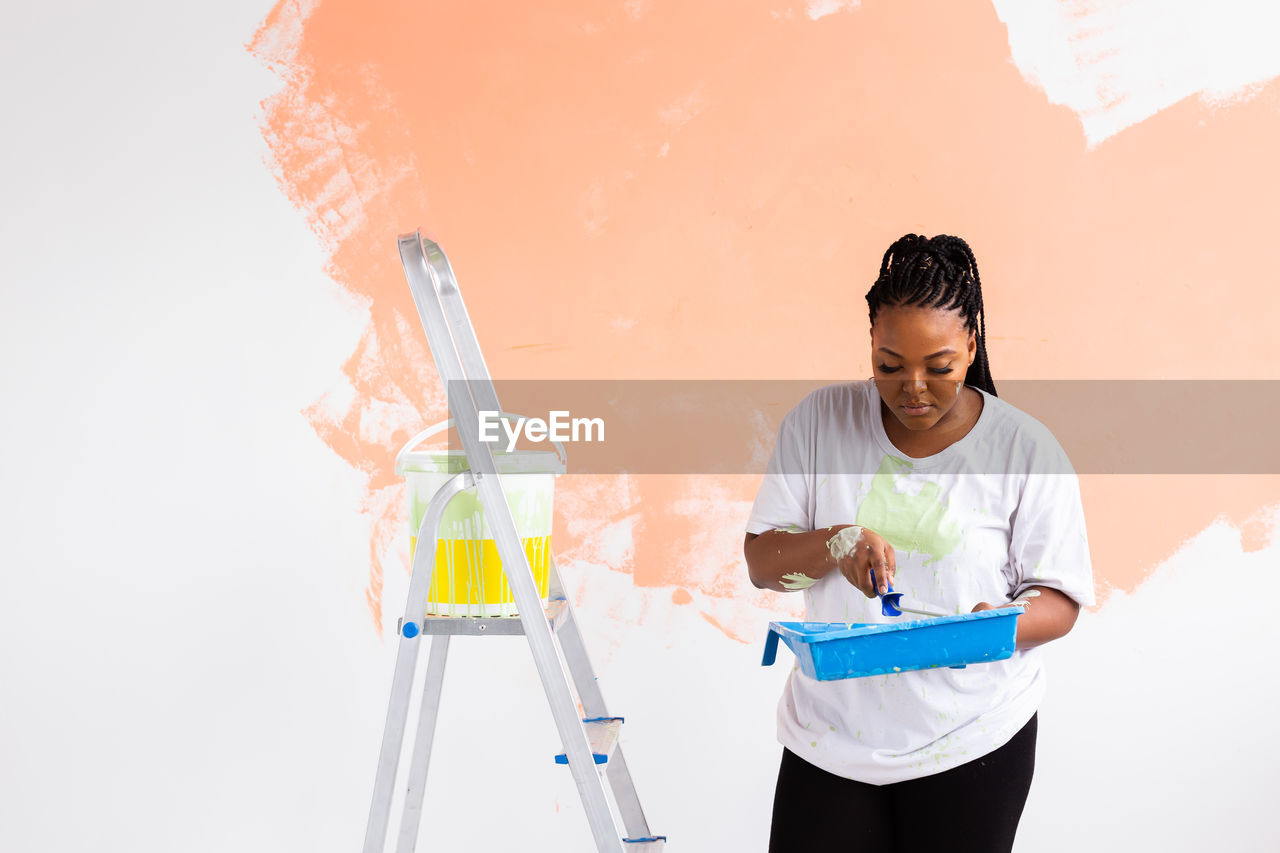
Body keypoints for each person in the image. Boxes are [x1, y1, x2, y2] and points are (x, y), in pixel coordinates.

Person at [744, 233, 1095, 853]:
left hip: (971, 735)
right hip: (830, 735)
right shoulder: (818, 423)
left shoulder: (1024, 450)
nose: (913, 388)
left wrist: (1001, 624)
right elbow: (763, 565)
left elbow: (1060, 600)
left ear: (971, 347)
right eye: (889, 365)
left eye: (939, 368)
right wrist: (835, 543)